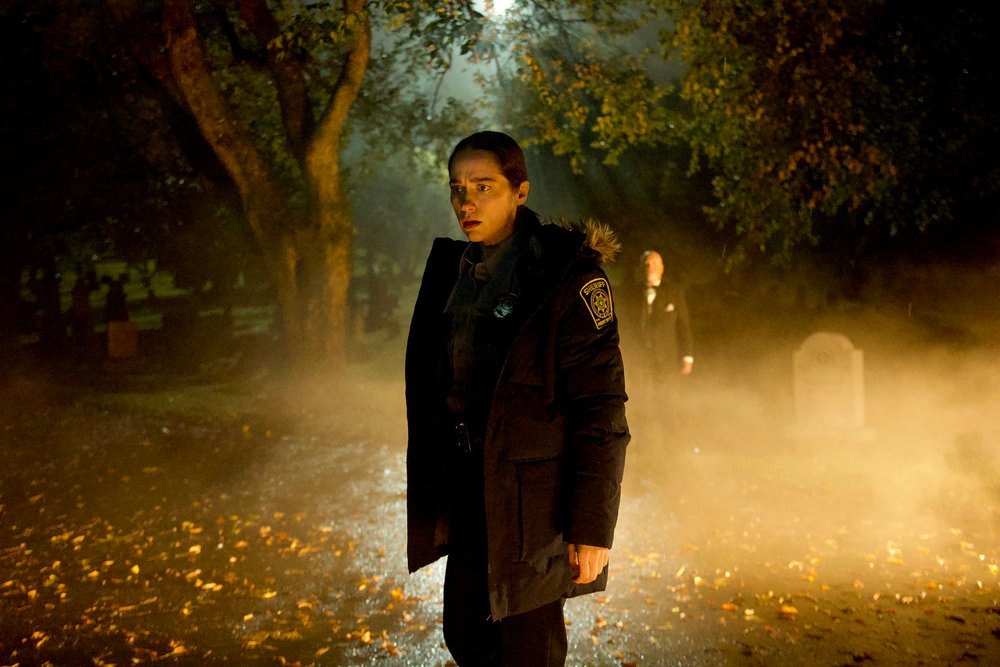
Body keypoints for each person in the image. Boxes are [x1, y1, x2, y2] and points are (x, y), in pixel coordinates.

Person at [405, 131, 630, 666]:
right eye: (458, 188)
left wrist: (591, 528)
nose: (467, 202)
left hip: (532, 504)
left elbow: (601, 410)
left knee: (526, 648)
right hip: (467, 490)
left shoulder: (566, 280)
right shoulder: (454, 273)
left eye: (484, 186)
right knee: (466, 634)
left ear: (520, 191)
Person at [638, 249, 693, 383]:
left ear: (662, 268)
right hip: (640, 360)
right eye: (647, 264)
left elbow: (683, 325)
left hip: (668, 358)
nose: (650, 267)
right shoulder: (630, 292)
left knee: (668, 398)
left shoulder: (675, 292)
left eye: (655, 263)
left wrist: (687, 356)